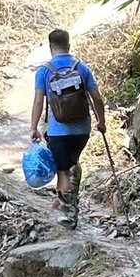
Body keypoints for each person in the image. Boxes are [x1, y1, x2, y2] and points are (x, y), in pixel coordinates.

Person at [29, 28, 107, 228]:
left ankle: (69, 215)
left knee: (63, 171)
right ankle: (69, 199)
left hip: (58, 131)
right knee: (73, 162)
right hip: (82, 130)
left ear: (50, 47)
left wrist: (34, 127)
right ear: (69, 45)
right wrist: (102, 122)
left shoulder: (44, 71)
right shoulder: (82, 68)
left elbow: (39, 102)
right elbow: (97, 98)